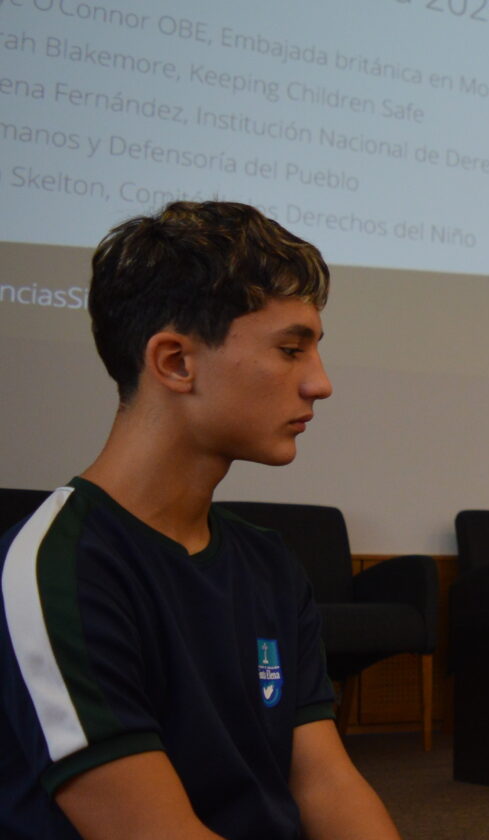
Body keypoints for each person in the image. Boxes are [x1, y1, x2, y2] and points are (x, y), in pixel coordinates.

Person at [0, 202, 400, 838]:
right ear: (175, 362)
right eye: (291, 349)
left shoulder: (269, 562)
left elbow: (324, 780)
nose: (320, 384)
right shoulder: (59, 567)